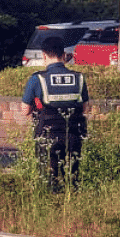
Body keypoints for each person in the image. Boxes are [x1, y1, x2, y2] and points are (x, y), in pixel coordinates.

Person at [20, 36, 89, 192]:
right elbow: (85, 108)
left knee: (49, 177)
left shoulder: (37, 79)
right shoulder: (79, 78)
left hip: (47, 136)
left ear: (44, 55)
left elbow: (24, 111)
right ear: (64, 55)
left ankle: (51, 198)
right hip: (74, 135)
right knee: (72, 177)